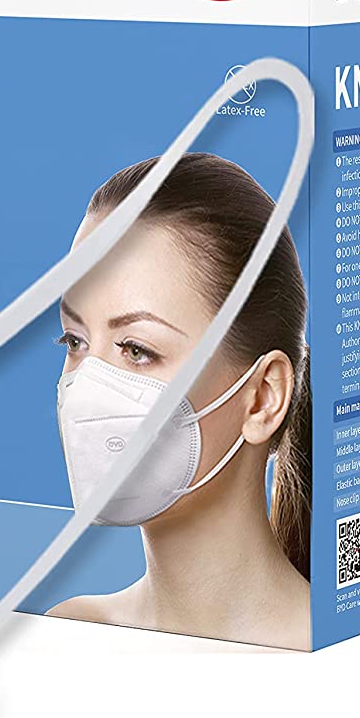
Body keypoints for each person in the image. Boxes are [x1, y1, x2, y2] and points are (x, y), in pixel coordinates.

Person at [49, 152, 311, 649]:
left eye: (136, 349)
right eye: (75, 341)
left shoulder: (344, 658)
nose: (87, 388)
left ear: (262, 397)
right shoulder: (71, 633)